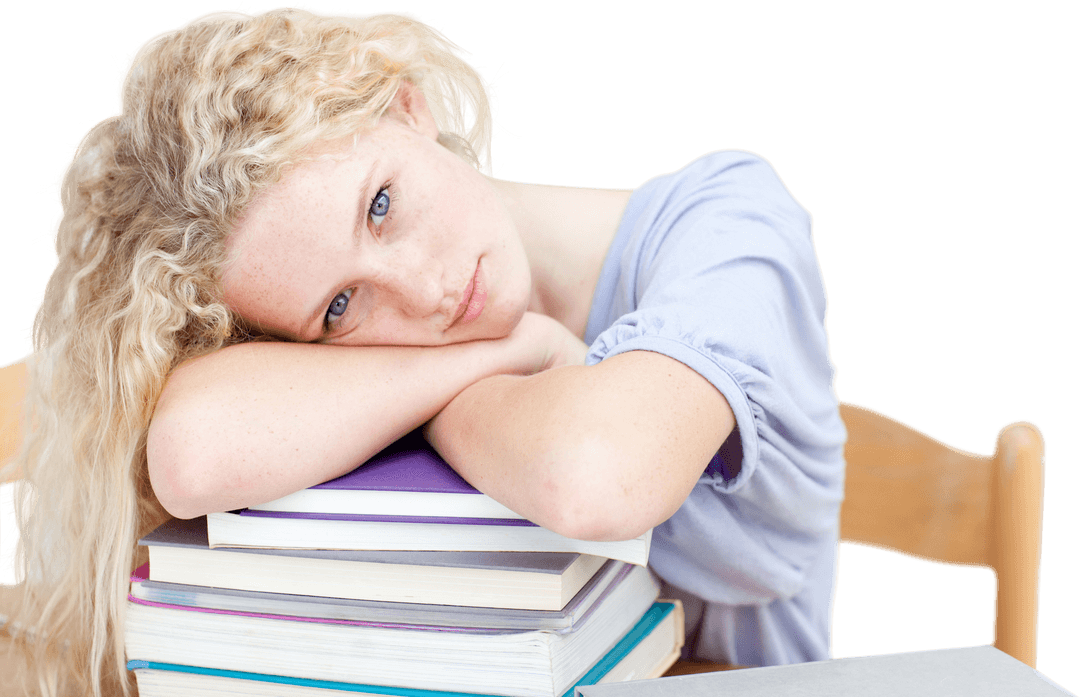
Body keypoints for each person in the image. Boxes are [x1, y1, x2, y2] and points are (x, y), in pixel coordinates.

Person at [0, 6, 845, 696]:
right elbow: (188, 451)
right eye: (338, 304)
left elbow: (600, 475)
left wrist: (432, 391)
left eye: (379, 205)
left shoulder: (734, 221)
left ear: (407, 109)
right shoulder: (431, 342)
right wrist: (505, 354)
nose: (419, 291)